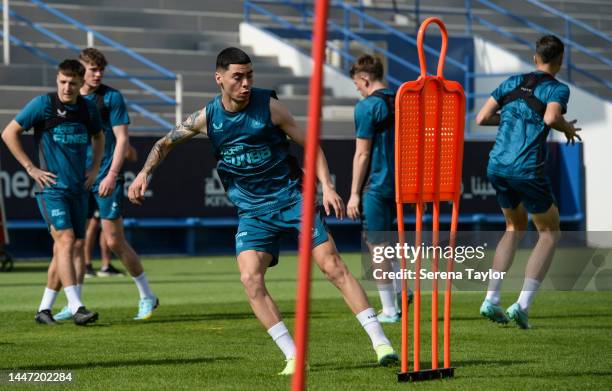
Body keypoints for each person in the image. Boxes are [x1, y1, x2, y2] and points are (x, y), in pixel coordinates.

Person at [128, 47, 399, 375]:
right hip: (252, 211)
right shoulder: (206, 117)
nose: (245, 83)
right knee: (250, 278)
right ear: (219, 79)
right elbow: (164, 143)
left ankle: (381, 342)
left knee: (331, 266)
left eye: (249, 76)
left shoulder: (270, 108)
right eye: (237, 77)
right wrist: (144, 173)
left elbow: (310, 144)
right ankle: (294, 356)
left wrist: (326, 186)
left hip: (292, 198)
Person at [475, 35, 581, 329]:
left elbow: (481, 118)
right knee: (550, 233)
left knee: (513, 227)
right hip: (525, 167)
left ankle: (491, 299)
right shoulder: (557, 88)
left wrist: (510, 118)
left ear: (535, 58)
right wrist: (567, 128)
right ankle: (522, 305)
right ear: (560, 61)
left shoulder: (511, 82)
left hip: (497, 165)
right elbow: (550, 118)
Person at [53, 48, 158, 321]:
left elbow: (123, 139)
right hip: (77, 178)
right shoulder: (68, 99)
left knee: (113, 240)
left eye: (101, 70)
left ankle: (147, 295)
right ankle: (74, 302)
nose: (97, 74)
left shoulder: (112, 98)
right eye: (92, 69)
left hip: (104, 176)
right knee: (75, 243)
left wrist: (112, 174)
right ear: (80, 70)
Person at [1, 59, 104, 326]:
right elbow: (9, 133)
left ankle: (44, 309)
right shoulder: (43, 105)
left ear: (82, 83)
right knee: (66, 241)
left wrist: (94, 169)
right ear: (57, 80)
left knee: (68, 248)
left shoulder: (88, 108)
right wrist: (31, 168)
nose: (67, 87)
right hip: (51, 190)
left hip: (78, 190)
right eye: (62, 81)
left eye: (72, 82)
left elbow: (99, 137)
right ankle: (76, 305)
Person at [346, 54, 411, 323]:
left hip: (377, 183)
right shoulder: (403, 100)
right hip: (403, 183)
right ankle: (399, 290)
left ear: (365, 78)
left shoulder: (366, 107)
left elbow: (362, 154)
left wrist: (354, 193)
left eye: (357, 84)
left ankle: (390, 309)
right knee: (389, 242)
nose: (357, 89)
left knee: (377, 245)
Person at [84, 143, 138, 278]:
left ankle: (106, 265)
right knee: (92, 224)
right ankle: (86, 264)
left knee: (104, 225)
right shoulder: (89, 130)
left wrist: (124, 144)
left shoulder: (116, 135)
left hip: (105, 181)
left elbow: (132, 156)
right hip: (92, 180)